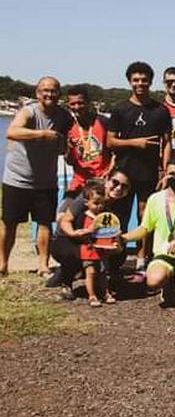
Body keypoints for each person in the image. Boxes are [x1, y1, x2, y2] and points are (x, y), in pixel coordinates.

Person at [0, 76, 72, 276]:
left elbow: (66, 144)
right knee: (9, 222)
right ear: (37, 93)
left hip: (45, 181)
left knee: (44, 223)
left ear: (59, 94)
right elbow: (12, 132)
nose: (49, 94)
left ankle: (43, 265)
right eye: (45, 90)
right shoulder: (28, 112)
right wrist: (41, 134)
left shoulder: (64, 116)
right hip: (17, 178)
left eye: (54, 90)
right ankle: (3, 264)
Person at [119, 156, 175, 309]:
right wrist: (123, 238)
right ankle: (169, 282)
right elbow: (144, 229)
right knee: (153, 281)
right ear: (165, 174)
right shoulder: (155, 199)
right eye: (172, 173)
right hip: (164, 253)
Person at [107, 61, 172, 278]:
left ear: (151, 82)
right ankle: (115, 260)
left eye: (144, 80)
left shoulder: (160, 110)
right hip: (123, 173)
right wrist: (135, 143)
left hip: (149, 172)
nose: (140, 83)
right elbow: (110, 142)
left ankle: (143, 260)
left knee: (146, 217)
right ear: (129, 82)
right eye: (136, 80)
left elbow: (167, 143)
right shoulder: (120, 109)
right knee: (120, 217)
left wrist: (165, 171)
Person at [52, 170, 132, 299]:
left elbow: (116, 232)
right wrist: (74, 233)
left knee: (120, 253)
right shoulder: (90, 195)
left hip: (97, 243)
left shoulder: (121, 206)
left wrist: (117, 245)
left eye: (124, 186)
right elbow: (66, 220)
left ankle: (104, 282)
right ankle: (66, 281)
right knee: (72, 253)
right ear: (107, 181)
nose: (118, 188)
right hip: (69, 239)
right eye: (115, 182)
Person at [64, 86, 114, 198]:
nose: (76, 107)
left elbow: (116, 152)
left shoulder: (103, 122)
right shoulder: (69, 127)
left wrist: (110, 171)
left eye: (80, 103)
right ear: (68, 105)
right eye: (73, 104)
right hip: (80, 181)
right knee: (63, 214)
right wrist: (69, 148)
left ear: (88, 103)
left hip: (102, 180)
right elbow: (69, 161)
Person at [75, 184, 117, 307]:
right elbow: (78, 233)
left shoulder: (106, 216)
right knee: (91, 272)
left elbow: (111, 230)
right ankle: (92, 295)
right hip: (88, 250)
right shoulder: (83, 217)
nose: (99, 206)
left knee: (103, 272)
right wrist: (89, 230)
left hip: (102, 250)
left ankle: (105, 292)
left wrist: (114, 240)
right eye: (96, 203)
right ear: (86, 202)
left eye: (102, 203)